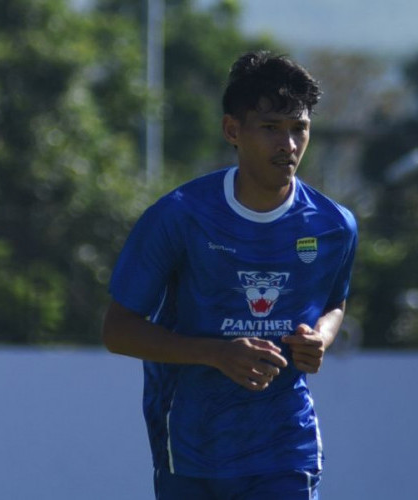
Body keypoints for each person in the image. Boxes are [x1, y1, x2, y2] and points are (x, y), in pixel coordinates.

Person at [102, 50, 358, 500]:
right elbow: (118, 331)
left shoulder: (334, 225)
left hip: (285, 449)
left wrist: (321, 336)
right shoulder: (179, 217)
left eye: (299, 128)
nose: (289, 145)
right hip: (192, 447)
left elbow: (335, 303)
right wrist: (217, 354)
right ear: (232, 131)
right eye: (271, 128)